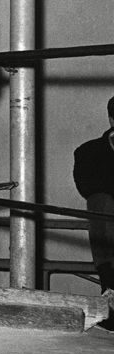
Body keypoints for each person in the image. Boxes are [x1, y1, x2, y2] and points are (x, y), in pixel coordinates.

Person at [73, 96, 114, 330]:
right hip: (108, 225)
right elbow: (88, 187)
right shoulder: (88, 152)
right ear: (111, 120)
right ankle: (110, 284)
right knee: (101, 202)